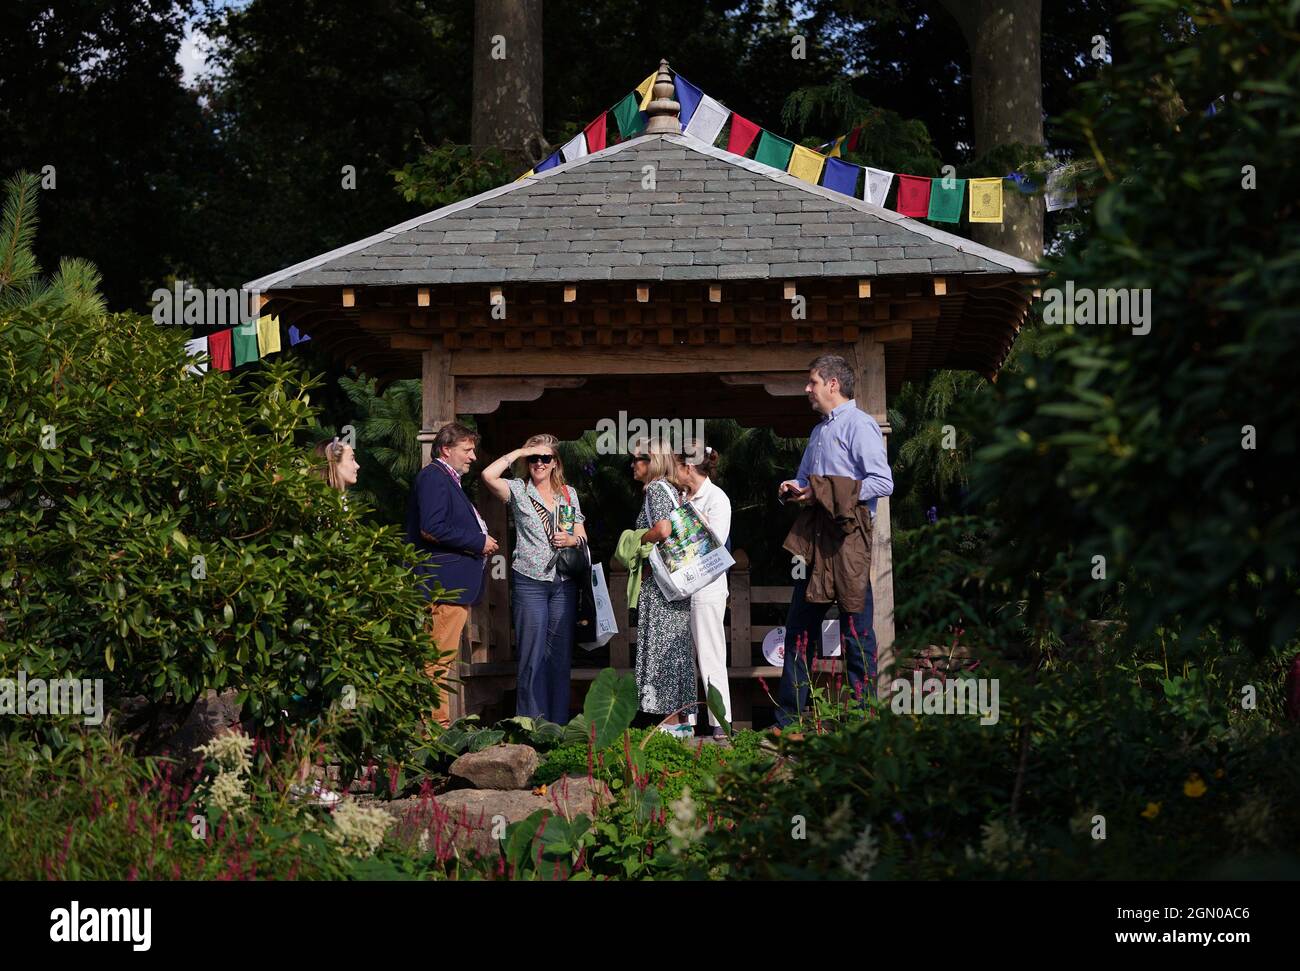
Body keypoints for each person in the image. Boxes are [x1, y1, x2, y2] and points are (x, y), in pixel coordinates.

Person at [775, 354, 893, 727]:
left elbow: (882, 481)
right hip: (814, 543)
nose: (807, 389)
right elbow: (808, 481)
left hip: (849, 542)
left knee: (856, 630)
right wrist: (797, 488)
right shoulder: (819, 431)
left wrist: (829, 490)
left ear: (833, 384)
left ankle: (863, 719)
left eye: (812, 382)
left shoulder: (861, 426)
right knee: (799, 631)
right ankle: (789, 721)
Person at [481, 434, 587, 725]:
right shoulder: (517, 489)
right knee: (531, 655)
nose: (539, 463)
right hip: (530, 581)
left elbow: (582, 536)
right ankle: (530, 726)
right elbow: (487, 474)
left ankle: (557, 727)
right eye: (534, 458)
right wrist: (519, 450)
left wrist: (570, 538)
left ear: (555, 463)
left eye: (545, 458)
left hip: (563, 581)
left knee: (559, 658)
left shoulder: (568, 494)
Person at [405, 422, 499, 727]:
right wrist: (478, 541)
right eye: (467, 450)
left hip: (450, 584)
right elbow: (431, 527)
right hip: (443, 584)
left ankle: (435, 727)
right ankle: (435, 730)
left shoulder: (447, 480)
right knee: (437, 662)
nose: (472, 456)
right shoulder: (434, 477)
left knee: (438, 661)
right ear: (446, 449)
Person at [629, 436, 695, 739]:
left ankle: (668, 730)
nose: (633, 465)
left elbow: (664, 530)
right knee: (675, 652)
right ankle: (679, 725)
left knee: (660, 652)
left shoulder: (656, 489)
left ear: (652, 461)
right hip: (679, 587)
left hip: (661, 588)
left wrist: (640, 539)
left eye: (638, 459)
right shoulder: (675, 491)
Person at [676, 446, 733, 740]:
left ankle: (720, 723)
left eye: (678, 466)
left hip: (707, 588)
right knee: (684, 659)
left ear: (688, 468)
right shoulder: (681, 497)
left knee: (711, 656)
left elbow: (714, 544)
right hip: (681, 588)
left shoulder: (717, 498)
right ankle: (687, 723)